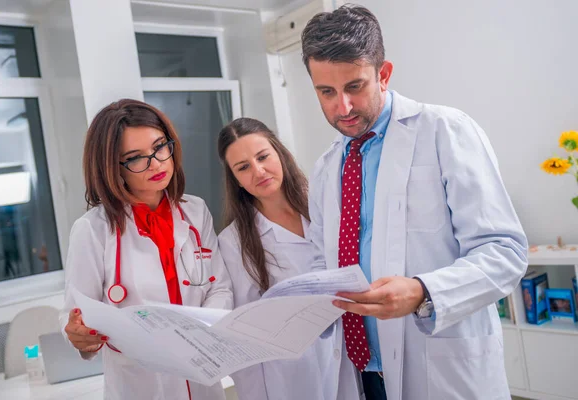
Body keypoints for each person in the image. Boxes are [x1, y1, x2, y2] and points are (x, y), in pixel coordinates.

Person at [300, 5, 528, 400]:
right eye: (326, 92)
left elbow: (505, 252)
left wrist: (424, 291)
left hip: (437, 367)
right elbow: (324, 261)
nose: (343, 108)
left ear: (383, 74)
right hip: (361, 371)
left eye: (355, 86)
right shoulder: (325, 169)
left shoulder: (445, 131)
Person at [60, 99, 233, 400]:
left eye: (159, 147)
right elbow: (77, 316)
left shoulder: (195, 211)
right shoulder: (92, 230)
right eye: (135, 158)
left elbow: (220, 288)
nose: (156, 163)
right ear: (112, 169)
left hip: (203, 375)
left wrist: (198, 336)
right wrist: (79, 334)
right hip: (141, 386)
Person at [216, 117, 361, 400]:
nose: (258, 171)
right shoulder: (234, 242)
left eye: (262, 157)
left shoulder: (324, 203)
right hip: (291, 376)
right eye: (243, 167)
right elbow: (244, 330)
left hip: (353, 355)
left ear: (278, 152)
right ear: (235, 180)